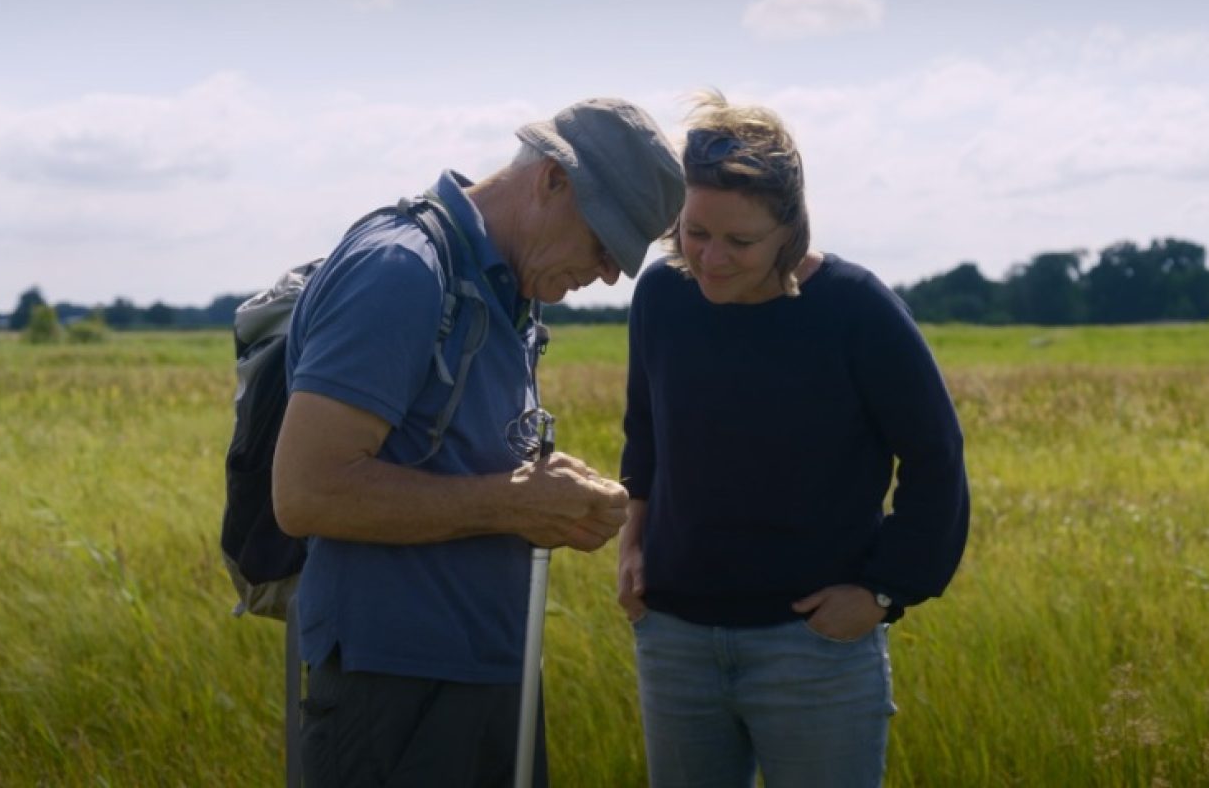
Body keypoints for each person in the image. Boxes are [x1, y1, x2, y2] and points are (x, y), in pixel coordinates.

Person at [272, 97, 685, 787]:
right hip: (394, 689)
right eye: (604, 243)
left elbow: (460, 461)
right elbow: (307, 491)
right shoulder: (401, 270)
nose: (610, 274)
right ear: (552, 178)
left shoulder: (504, 289)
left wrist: (550, 495)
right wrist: (512, 506)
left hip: (486, 677)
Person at [617, 91, 969, 787]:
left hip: (811, 650)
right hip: (675, 640)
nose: (711, 258)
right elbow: (646, 429)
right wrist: (634, 542)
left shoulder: (854, 308)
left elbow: (936, 457)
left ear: (790, 230)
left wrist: (885, 592)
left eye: (739, 241)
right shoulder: (661, 295)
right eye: (694, 232)